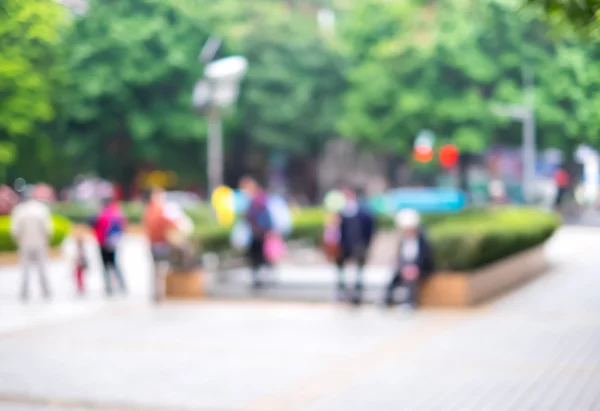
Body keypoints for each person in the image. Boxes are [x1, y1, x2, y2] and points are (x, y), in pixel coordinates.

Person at [383, 209, 434, 310]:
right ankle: (386, 300)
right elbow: (400, 256)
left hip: (419, 268)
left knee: (410, 278)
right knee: (393, 277)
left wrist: (416, 268)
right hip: (405, 267)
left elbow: (425, 257)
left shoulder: (422, 240)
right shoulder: (403, 240)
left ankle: (409, 303)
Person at [10, 191, 54, 301]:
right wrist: (46, 239)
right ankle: (46, 291)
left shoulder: (20, 210)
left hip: (25, 243)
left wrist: (19, 240)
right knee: (42, 268)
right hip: (40, 243)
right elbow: (48, 229)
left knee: (25, 269)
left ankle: (24, 292)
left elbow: (15, 230)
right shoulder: (41, 209)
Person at [335, 186, 374, 305]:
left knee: (359, 270)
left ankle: (358, 292)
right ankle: (342, 291)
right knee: (341, 268)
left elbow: (370, 228)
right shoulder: (341, 211)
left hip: (358, 244)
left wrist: (366, 243)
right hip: (344, 244)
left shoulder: (363, 211)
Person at [143, 189, 178, 302]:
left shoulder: (149, 210)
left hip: (155, 243)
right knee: (160, 270)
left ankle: (157, 292)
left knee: (156, 269)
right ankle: (159, 293)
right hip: (160, 243)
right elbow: (171, 223)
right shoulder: (159, 210)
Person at [240, 176, 273, 288]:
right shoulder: (252, 199)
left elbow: (262, 216)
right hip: (255, 232)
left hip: (258, 233)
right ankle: (259, 277)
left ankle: (261, 278)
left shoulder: (258, 200)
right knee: (256, 257)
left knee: (258, 256)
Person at [92, 197, 127, 296]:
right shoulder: (117, 213)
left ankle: (109, 287)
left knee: (105, 265)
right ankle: (121, 284)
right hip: (114, 243)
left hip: (103, 243)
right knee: (114, 264)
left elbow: (99, 228)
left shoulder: (103, 214)